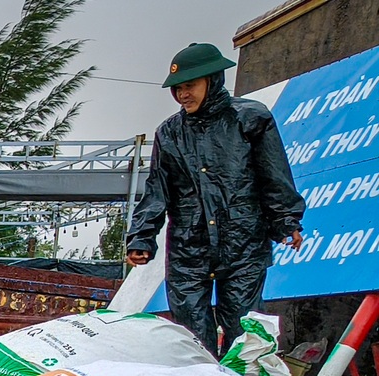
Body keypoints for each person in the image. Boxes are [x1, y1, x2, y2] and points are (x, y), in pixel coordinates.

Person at [126, 42, 306, 355]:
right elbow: (157, 190)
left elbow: (273, 174)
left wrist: (286, 221)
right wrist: (141, 237)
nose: (183, 94)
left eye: (190, 86)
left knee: (243, 330)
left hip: (243, 242)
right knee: (191, 336)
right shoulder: (169, 133)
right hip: (188, 247)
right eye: (178, 88)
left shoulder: (250, 118)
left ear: (213, 80)